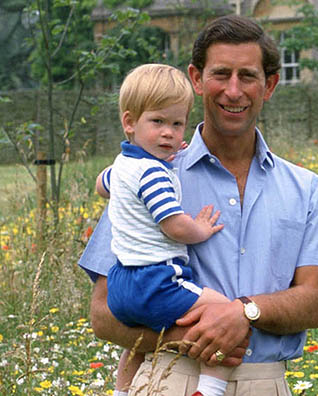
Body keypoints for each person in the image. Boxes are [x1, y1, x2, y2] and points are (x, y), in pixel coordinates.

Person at [79, 14, 318, 396]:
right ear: (196, 78)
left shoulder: (304, 188)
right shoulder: (146, 174)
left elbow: (313, 303)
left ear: (270, 85)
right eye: (221, 74)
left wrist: (242, 312)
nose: (234, 91)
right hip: (169, 375)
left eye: (248, 76)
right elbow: (104, 312)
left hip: (266, 383)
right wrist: (187, 337)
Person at [93, 63, 235, 396]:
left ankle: (122, 391)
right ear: (130, 122)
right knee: (223, 314)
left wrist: (158, 152)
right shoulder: (153, 175)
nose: (169, 134)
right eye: (157, 122)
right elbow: (173, 225)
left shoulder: (123, 166)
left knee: (139, 345)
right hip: (156, 280)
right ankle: (211, 389)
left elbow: (101, 184)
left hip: (121, 285)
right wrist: (200, 228)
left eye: (177, 124)